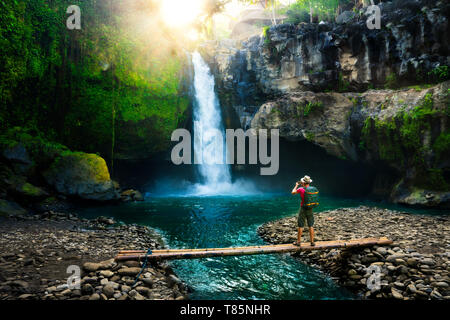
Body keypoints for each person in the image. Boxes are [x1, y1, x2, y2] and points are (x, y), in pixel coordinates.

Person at [291, 175, 317, 246]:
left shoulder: (301, 189)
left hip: (303, 208)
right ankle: (312, 242)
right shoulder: (312, 189)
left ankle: (298, 242)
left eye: (302, 182)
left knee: (301, 225)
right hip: (310, 207)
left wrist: (296, 185)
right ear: (309, 182)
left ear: (303, 183)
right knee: (311, 225)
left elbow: (293, 192)